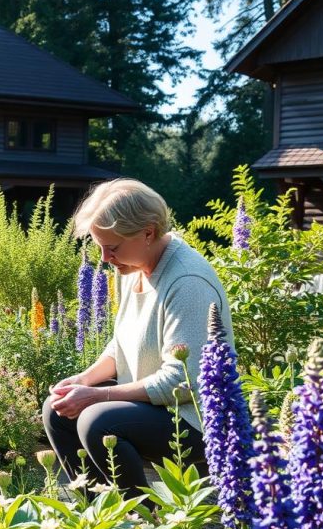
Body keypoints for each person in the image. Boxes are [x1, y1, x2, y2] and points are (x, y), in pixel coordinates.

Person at [42, 178, 232, 499]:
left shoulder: (187, 281)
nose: (104, 258)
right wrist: (83, 380)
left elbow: (183, 382)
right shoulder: (132, 267)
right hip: (153, 406)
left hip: (195, 418)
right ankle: (97, 514)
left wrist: (97, 397)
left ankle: (141, 525)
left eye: (112, 247)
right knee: (56, 409)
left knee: (97, 421)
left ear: (148, 232)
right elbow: (122, 343)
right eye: (100, 246)